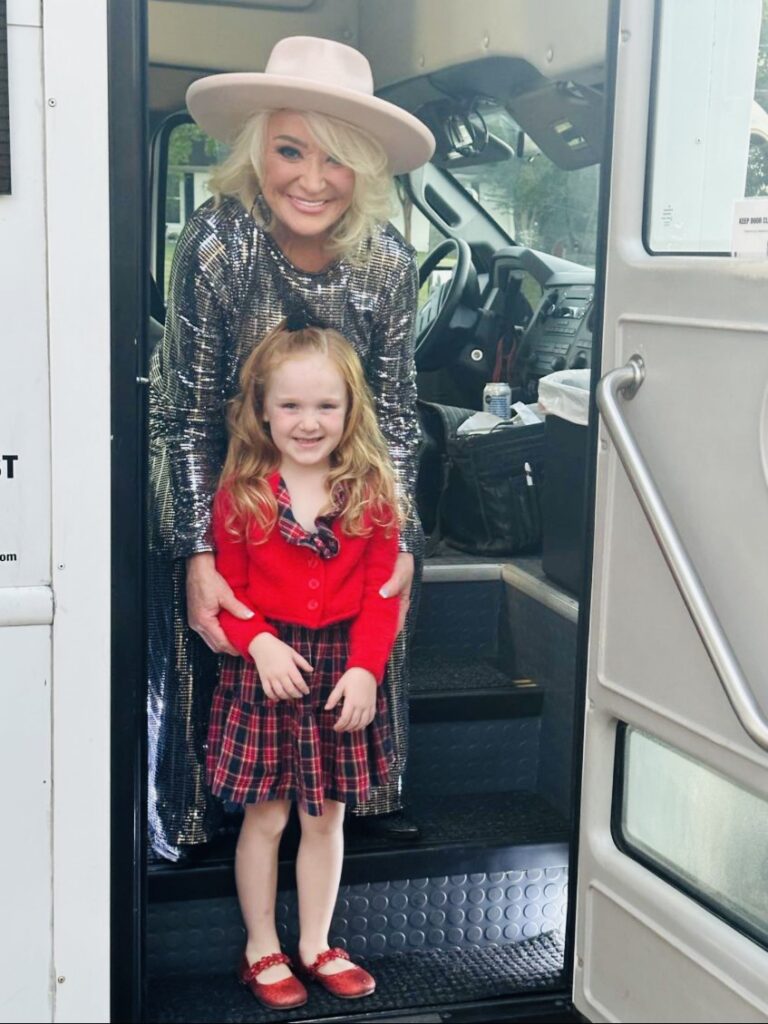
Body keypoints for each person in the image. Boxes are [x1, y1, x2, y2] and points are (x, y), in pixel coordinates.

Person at [148, 35, 435, 860]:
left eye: (337, 160)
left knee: (379, 593)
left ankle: (362, 791)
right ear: (256, 150)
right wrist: (198, 547)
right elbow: (188, 417)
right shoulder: (217, 241)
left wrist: (402, 537)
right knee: (216, 615)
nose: (312, 179)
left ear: (366, 172)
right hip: (225, 480)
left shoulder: (386, 261)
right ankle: (206, 806)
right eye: (290, 150)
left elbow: (400, 416)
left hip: (343, 484)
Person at [208, 319, 400, 1008]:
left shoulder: (372, 492)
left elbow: (383, 596)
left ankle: (316, 941)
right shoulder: (242, 493)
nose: (309, 422)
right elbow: (225, 594)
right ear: (262, 409)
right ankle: (262, 947)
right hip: (267, 671)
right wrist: (257, 641)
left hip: (340, 670)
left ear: (351, 411)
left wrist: (366, 671)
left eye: (327, 406)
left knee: (326, 819)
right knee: (267, 817)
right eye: (291, 406)